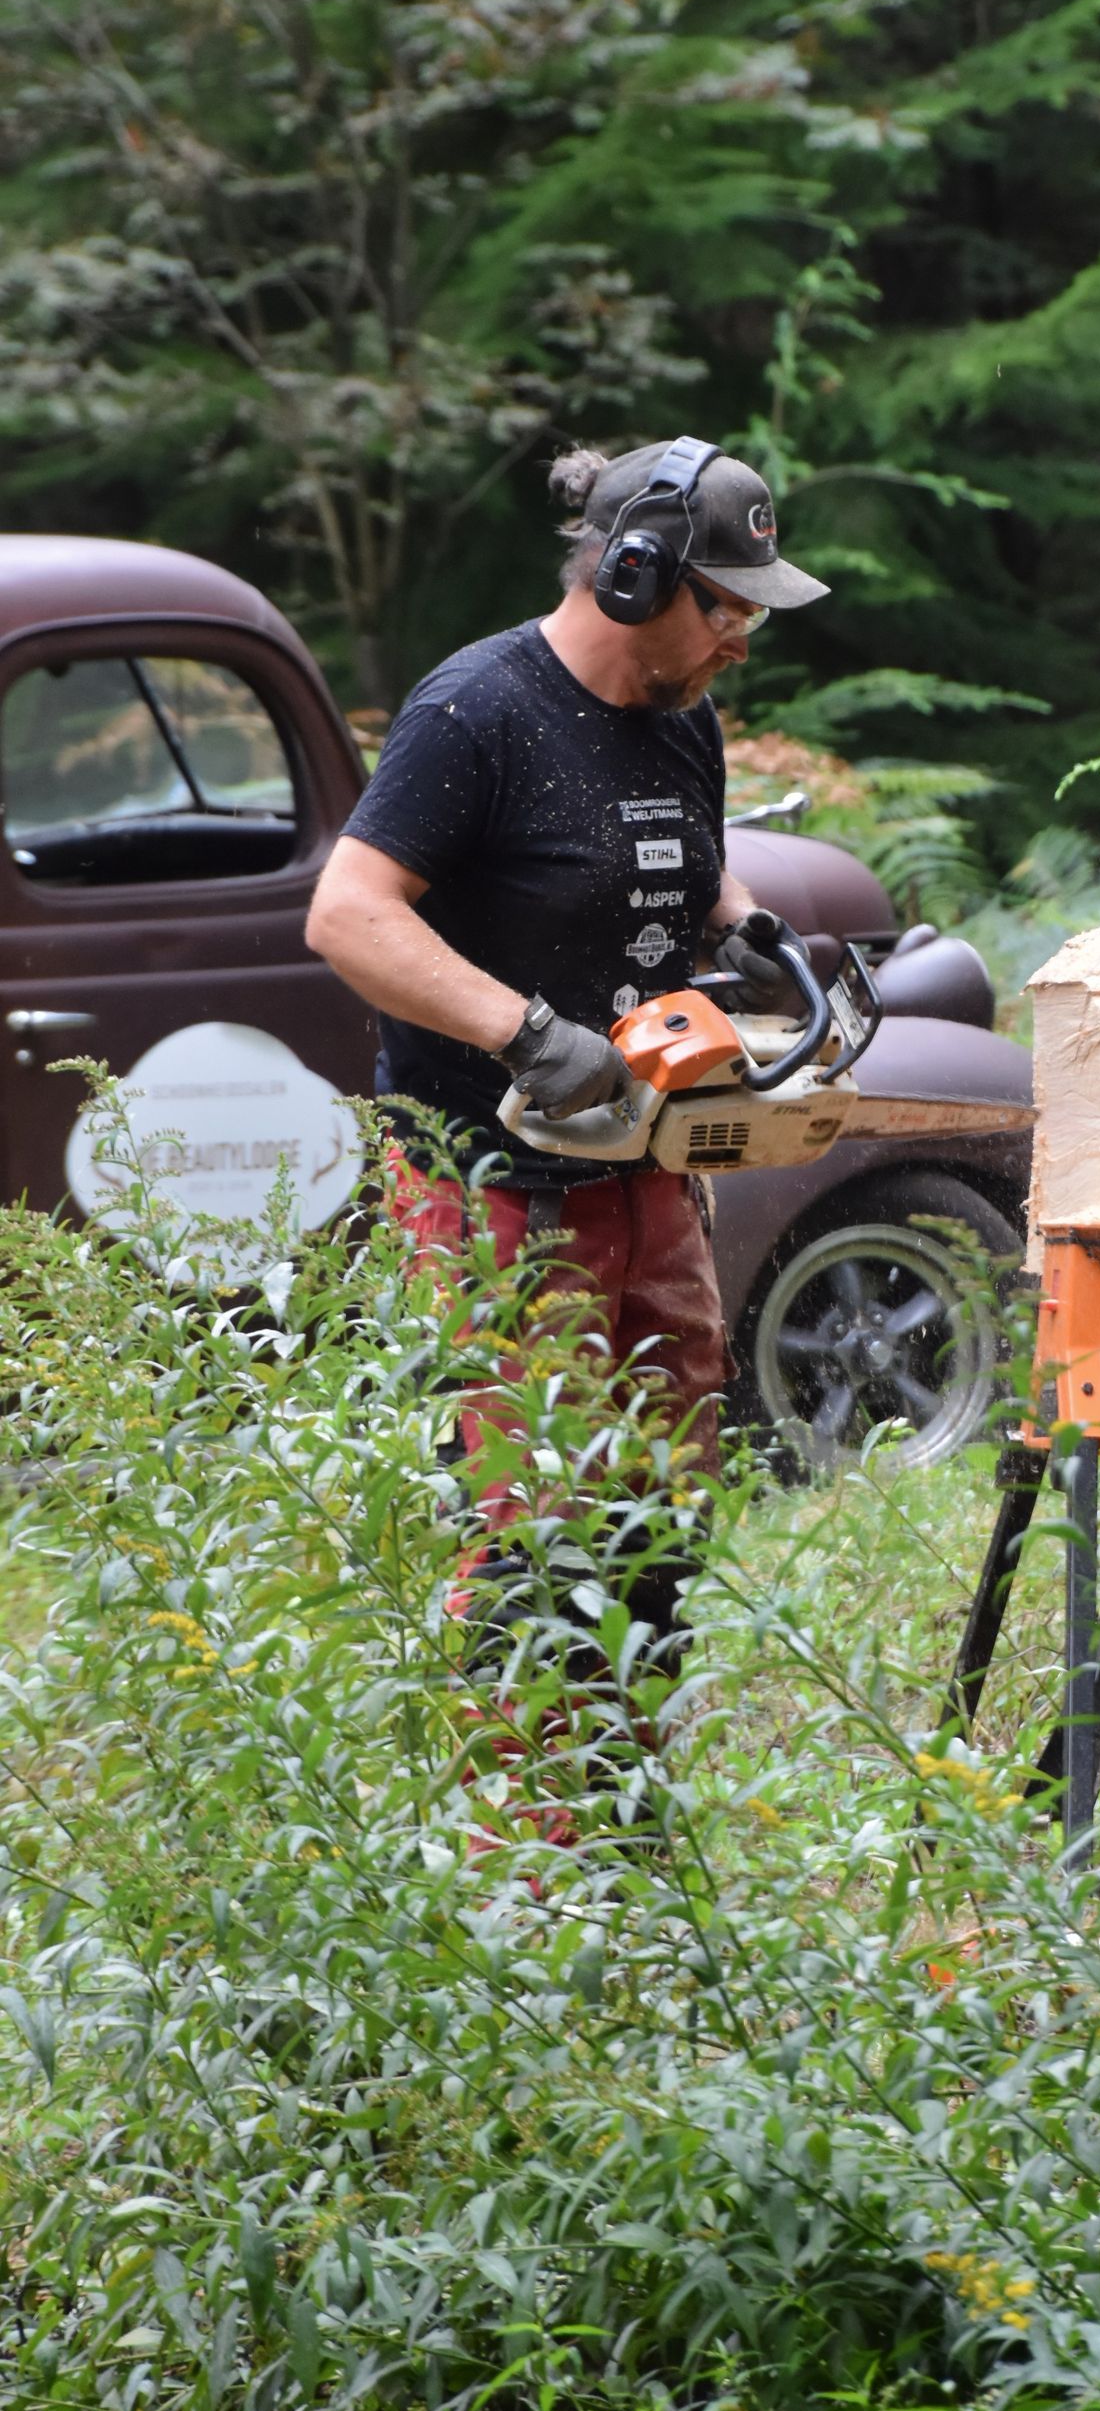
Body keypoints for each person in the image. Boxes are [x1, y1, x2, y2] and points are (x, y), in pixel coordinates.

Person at [306, 434, 829, 1671]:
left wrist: (742, 924)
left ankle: (627, 1764)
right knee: (528, 1529)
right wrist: (524, 1033)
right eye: (725, 606)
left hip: (650, 1171)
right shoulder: (475, 714)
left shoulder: (681, 716)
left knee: (664, 1506)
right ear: (634, 575)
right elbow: (347, 914)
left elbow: (685, 856)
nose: (740, 637)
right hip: (498, 1189)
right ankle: (518, 1795)